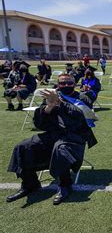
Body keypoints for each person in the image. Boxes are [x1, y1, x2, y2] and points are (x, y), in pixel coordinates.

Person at [6, 73, 98, 205]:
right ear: (58, 84)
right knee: (23, 146)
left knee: (61, 148)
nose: (66, 85)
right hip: (54, 134)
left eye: (69, 83)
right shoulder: (51, 97)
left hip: (75, 136)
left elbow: (80, 117)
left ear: (74, 84)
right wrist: (48, 108)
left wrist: (60, 103)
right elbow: (39, 124)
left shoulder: (83, 97)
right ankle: (29, 184)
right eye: (62, 83)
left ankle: (65, 185)